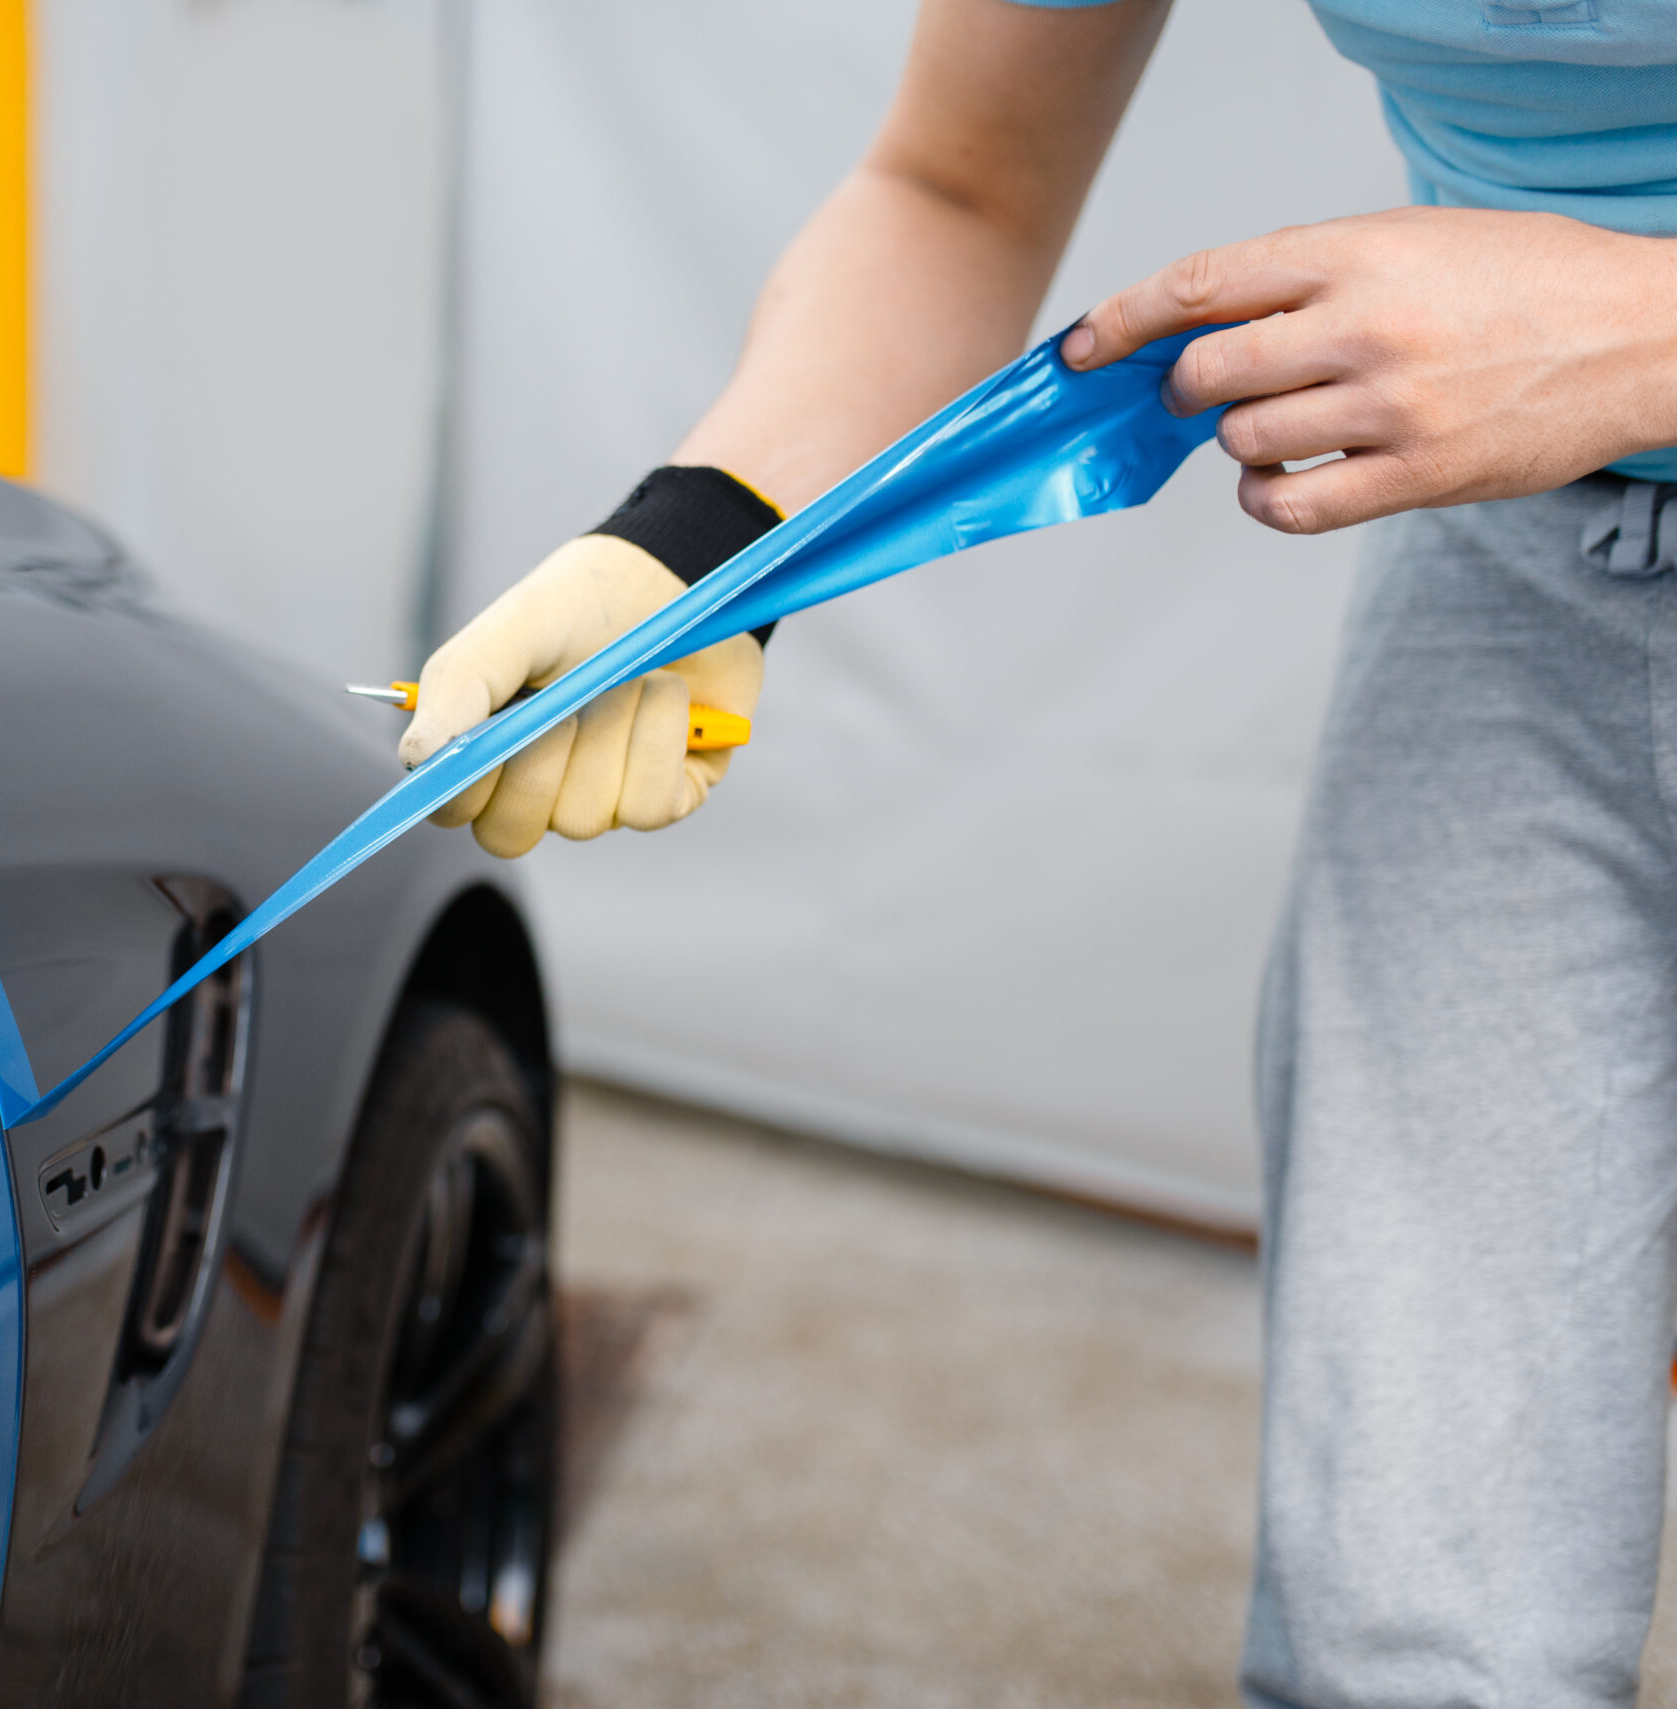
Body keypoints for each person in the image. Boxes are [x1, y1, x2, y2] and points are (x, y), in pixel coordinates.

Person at [398, 2, 1677, 1703]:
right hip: (1520, 576)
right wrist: (699, 548)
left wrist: (1645, 331)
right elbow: (958, 186)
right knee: (1411, 1625)